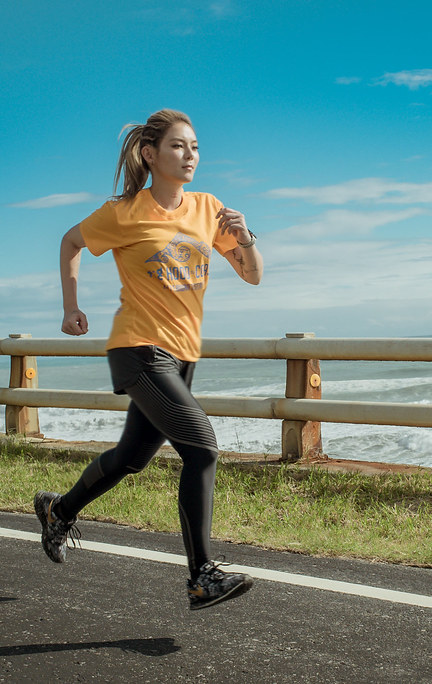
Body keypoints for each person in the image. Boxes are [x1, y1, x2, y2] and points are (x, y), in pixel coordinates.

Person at [34, 108, 264, 610]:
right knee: (202, 449)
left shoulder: (208, 208)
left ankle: (58, 512)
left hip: (182, 355)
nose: (190, 155)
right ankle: (202, 576)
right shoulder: (124, 212)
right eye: (178, 146)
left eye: (195, 147)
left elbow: (252, 275)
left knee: (131, 458)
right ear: (150, 154)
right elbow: (71, 241)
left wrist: (245, 236)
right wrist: (70, 306)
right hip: (138, 349)